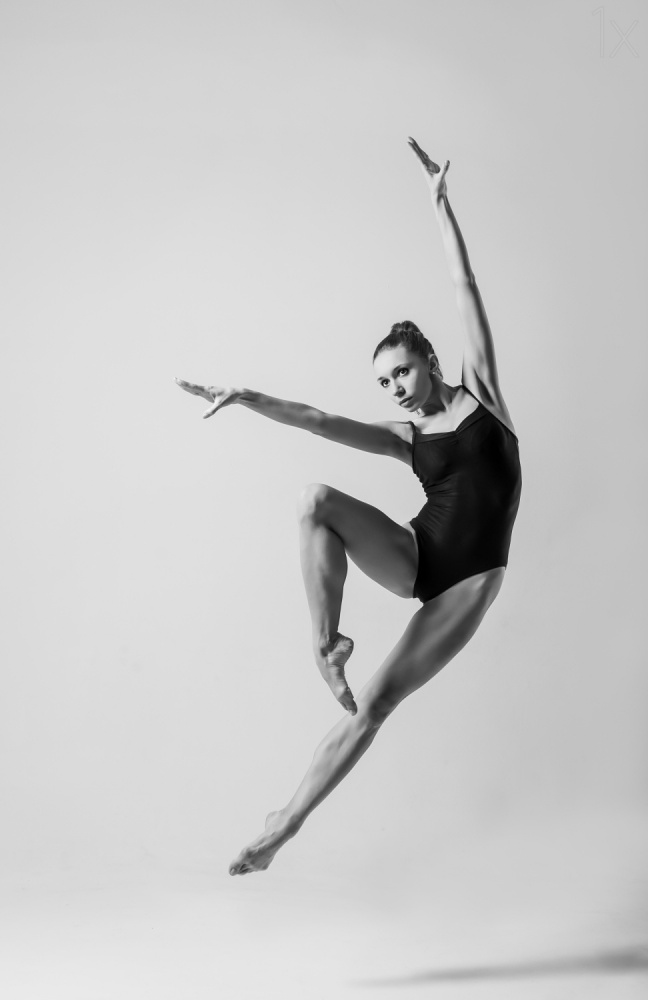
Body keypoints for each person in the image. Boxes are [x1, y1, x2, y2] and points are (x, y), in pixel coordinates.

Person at [176, 137, 522, 876]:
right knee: (315, 500)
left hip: (468, 580)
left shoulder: (485, 397)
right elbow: (319, 420)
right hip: (417, 555)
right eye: (385, 383)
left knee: (375, 706)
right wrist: (246, 395)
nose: (396, 389)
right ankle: (327, 644)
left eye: (402, 373)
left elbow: (464, 286)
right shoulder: (405, 439)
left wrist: (440, 203)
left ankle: (281, 826)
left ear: (430, 360)